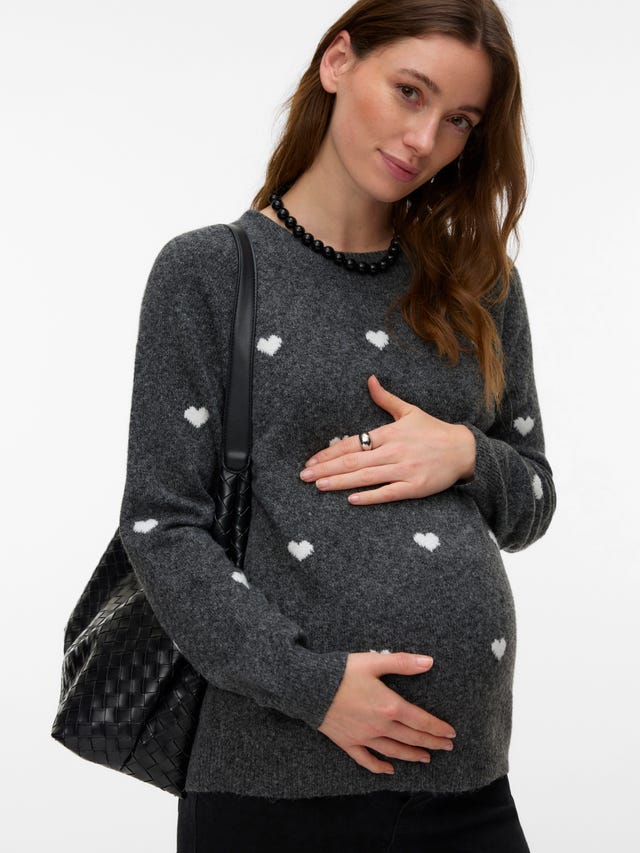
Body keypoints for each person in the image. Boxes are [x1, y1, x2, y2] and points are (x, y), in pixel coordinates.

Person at [118, 0, 556, 850]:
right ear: (338, 61)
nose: (424, 139)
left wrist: (465, 451)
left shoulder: (480, 283)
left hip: (469, 784)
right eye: (409, 91)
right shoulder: (208, 272)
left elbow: (532, 498)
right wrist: (312, 686)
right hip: (274, 784)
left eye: (460, 120)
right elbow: (160, 524)